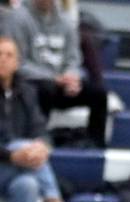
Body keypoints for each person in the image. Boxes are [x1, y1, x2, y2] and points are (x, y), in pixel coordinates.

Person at [0, 35, 98, 202]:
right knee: (22, 144)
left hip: (19, 168)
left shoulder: (26, 92)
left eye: (9, 55)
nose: (3, 59)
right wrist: (12, 155)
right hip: (5, 161)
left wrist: (43, 146)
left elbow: (40, 129)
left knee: (28, 185)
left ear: (17, 62)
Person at [11, 0, 108, 147]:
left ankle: (95, 144)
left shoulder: (66, 21)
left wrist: (71, 77)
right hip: (34, 82)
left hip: (62, 82)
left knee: (99, 93)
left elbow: (74, 58)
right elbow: (19, 63)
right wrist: (54, 78)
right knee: (44, 89)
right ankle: (38, 140)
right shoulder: (19, 18)